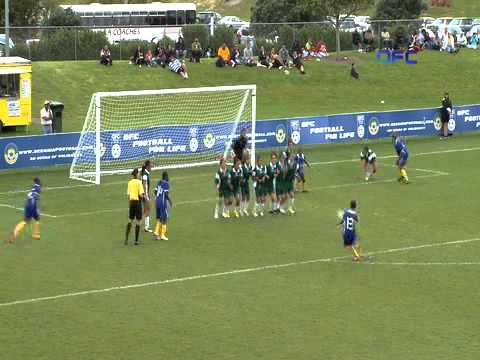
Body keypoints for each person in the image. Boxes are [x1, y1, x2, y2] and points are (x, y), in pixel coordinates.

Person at [8, 177, 42, 243]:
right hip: (32, 205)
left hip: (30, 204)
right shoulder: (38, 188)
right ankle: (15, 231)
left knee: (37, 218)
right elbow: (36, 198)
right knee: (26, 220)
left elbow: (33, 195)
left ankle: (35, 234)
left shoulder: (34, 187)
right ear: (39, 183)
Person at [125, 168, 144, 245]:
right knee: (138, 221)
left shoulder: (129, 183)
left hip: (131, 202)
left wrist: (129, 204)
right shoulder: (139, 182)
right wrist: (144, 198)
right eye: (139, 173)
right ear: (136, 174)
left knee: (130, 220)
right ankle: (136, 241)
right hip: (137, 203)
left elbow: (129, 195)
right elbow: (140, 194)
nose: (139, 174)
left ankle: (126, 239)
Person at [153, 171, 172, 241]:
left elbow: (155, 191)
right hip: (162, 202)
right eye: (167, 176)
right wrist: (170, 201)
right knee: (165, 218)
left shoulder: (159, 182)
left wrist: (158, 196)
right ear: (166, 176)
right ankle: (162, 235)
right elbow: (166, 194)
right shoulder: (166, 184)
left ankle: (157, 233)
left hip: (157, 201)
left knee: (159, 218)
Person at [141, 160, 153, 232]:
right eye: (151, 165)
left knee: (146, 210)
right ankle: (140, 225)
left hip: (145, 194)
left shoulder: (145, 173)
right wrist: (146, 196)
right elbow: (144, 185)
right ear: (148, 166)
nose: (152, 166)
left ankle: (146, 227)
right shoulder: (145, 174)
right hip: (145, 194)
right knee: (147, 210)